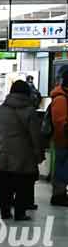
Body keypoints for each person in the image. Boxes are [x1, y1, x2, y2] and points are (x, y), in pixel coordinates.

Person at [0, 80, 44, 221]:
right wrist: (39, 153)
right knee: (23, 184)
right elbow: (35, 135)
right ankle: (20, 213)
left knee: (4, 185)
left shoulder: (2, 109)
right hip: (23, 154)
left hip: (3, 152)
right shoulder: (29, 110)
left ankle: (5, 212)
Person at [49, 72, 68, 207]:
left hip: (64, 140)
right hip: (63, 141)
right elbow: (60, 122)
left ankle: (61, 194)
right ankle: (58, 196)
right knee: (62, 168)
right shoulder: (61, 98)